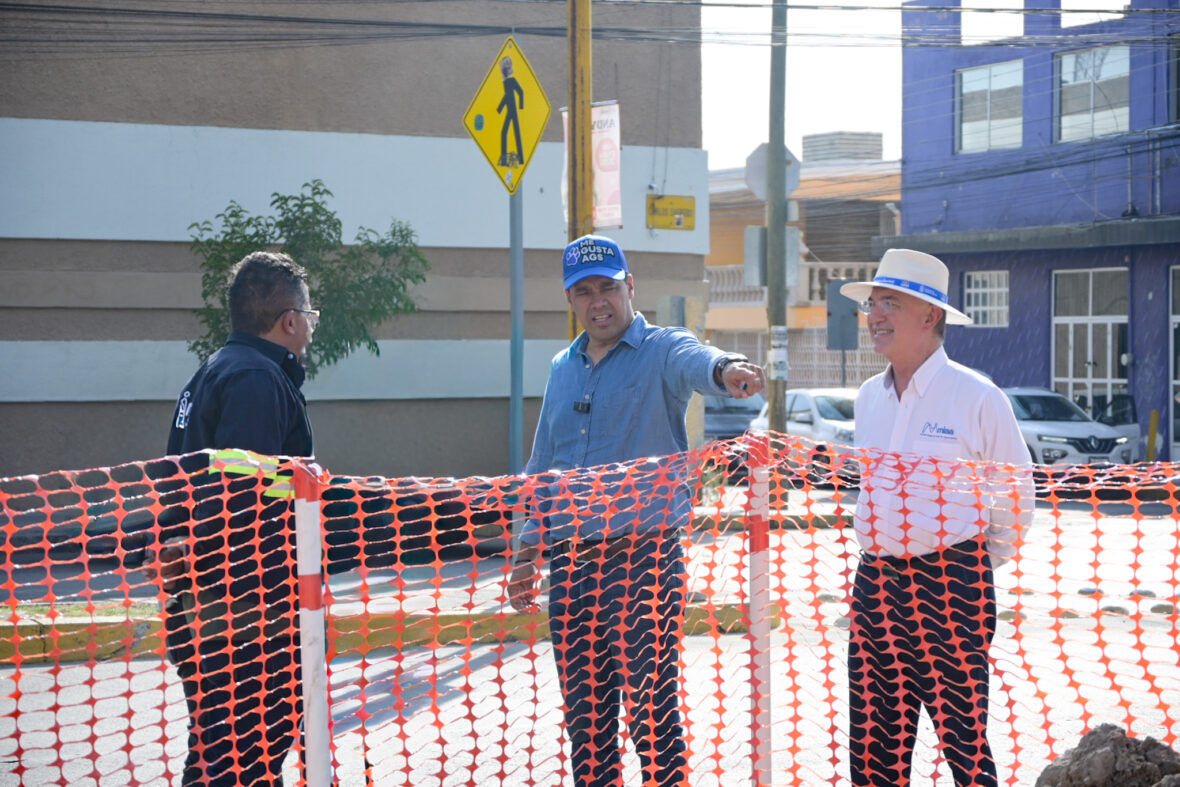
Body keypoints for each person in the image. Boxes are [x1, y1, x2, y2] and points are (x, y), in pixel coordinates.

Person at [507, 234, 765, 787]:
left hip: (643, 563)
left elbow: (700, 361)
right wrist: (527, 552)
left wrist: (728, 369)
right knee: (586, 723)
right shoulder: (563, 366)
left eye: (608, 287)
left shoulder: (663, 349)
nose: (598, 301)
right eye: (584, 292)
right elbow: (544, 464)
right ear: (571, 300)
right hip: (572, 567)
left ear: (630, 287)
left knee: (652, 717)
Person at [838, 249, 1033, 787]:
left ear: (930, 316)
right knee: (874, 749)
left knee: (964, 747)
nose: (875, 315)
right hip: (875, 584)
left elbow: (1016, 495)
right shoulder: (867, 398)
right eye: (873, 303)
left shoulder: (977, 396)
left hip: (953, 585)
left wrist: (969, 558)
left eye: (890, 304)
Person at [161, 250, 317, 786]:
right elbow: (245, 502)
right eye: (309, 316)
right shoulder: (255, 379)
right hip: (247, 611)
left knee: (215, 753)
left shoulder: (212, 371)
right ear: (290, 319)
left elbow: (183, 488)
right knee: (243, 760)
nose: (310, 329)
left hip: (211, 604)